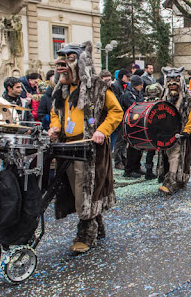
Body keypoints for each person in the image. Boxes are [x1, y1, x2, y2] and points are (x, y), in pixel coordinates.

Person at [48, 42, 122, 253]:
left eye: (69, 60)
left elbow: (116, 112)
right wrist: (54, 127)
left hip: (90, 148)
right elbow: (55, 113)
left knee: (86, 189)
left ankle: (86, 234)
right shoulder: (60, 89)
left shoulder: (99, 86)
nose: (62, 66)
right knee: (77, 190)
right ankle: (97, 224)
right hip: (67, 146)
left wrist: (102, 130)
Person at [157, 67, 191, 195]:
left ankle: (169, 183)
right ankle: (178, 180)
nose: (172, 85)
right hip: (165, 133)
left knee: (175, 157)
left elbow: (190, 117)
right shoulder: (163, 97)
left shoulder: (186, 99)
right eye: (170, 82)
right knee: (167, 157)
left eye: (175, 82)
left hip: (180, 134)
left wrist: (187, 131)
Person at [120, 75, 145, 178]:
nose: (142, 87)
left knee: (139, 147)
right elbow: (134, 107)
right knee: (132, 147)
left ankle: (137, 167)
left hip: (137, 122)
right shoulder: (128, 94)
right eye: (140, 85)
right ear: (137, 85)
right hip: (130, 123)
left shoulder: (136, 93)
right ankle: (129, 169)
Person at [143, 83, 164, 180]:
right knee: (161, 153)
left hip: (147, 129)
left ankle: (148, 172)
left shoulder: (144, 101)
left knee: (150, 152)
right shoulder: (160, 102)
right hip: (158, 129)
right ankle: (160, 173)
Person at [111, 69, 131, 169]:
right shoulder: (115, 86)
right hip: (119, 116)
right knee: (119, 140)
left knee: (123, 140)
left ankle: (122, 160)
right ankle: (118, 161)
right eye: (127, 77)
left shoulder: (124, 86)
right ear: (122, 76)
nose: (129, 79)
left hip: (124, 115)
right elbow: (117, 103)